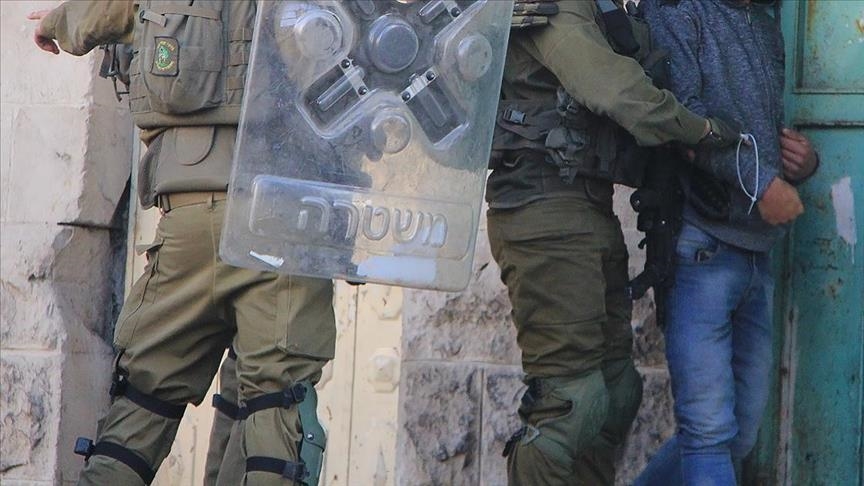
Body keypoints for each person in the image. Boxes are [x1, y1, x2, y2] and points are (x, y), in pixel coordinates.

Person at [30, 2, 337, 485]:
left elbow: (107, 12)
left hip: (187, 221)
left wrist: (57, 24)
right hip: (282, 224)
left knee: (143, 404)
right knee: (276, 408)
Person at [486, 0, 787, 484]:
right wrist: (704, 130)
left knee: (616, 391)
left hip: (586, 204)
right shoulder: (558, 7)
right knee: (570, 402)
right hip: (543, 208)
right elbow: (617, 91)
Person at [633, 0, 819, 484]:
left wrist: (802, 164)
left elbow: (762, 134)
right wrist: (763, 183)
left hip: (756, 252)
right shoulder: (676, 11)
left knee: (739, 433)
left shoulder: (764, 21)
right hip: (701, 248)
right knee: (709, 434)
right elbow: (680, 121)